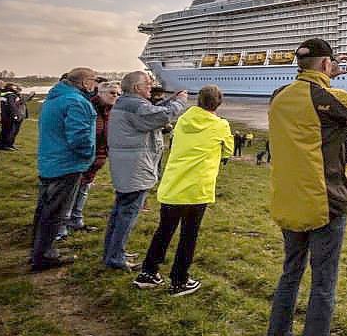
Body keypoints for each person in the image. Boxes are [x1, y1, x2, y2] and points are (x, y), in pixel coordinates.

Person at [267, 38, 347, 336]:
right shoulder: (327, 97)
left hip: (287, 198)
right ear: (326, 63)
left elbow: (309, 101)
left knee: (290, 274)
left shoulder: (278, 95)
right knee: (323, 283)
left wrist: (326, 76)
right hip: (326, 202)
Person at [134, 85, 234, 296]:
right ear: (219, 103)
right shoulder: (221, 125)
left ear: (198, 101)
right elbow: (228, 150)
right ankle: (179, 280)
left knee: (164, 231)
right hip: (197, 189)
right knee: (189, 235)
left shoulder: (183, 121)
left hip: (172, 185)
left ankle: (148, 273)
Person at [104, 71, 187, 271]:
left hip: (128, 164)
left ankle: (113, 251)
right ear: (136, 88)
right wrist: (180, 102)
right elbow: (159, 117)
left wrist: (169, 100)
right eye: (147, 84)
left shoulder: (128, 103)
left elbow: (152, 111)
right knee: (127, 213)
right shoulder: (135, 105)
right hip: (134, 167)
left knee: (120, 211)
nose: (151, 87)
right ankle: (115, 257)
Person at [30, 68, 100, 271]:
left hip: (50, 160)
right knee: (56, 212)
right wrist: (88, 154)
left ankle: (37, 249)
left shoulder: (55, 98)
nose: (95, 85)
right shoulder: (76, 101)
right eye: (94, 81)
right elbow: (79, 136)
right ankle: (44, 256)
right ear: (86, 82)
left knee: (44, 209)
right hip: (67, 164)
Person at [60, 82, 119, 236]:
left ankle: (76, 220)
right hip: (83, 157)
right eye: (112, 93)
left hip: (98, 158)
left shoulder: (112, 111)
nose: (116, 96)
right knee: (72, 191)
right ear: (100, 92)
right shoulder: (88, 108)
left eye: (118, 94)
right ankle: (61, 227)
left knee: (84, 189)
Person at [0, 83, 30, 151]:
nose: (16, 88)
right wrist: (15, 115)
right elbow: (12, 106)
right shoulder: (10, 95)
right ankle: (3, 145)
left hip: (10, 115)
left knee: (11, 131)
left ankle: (8, 144)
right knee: (8, 131)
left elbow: (17, 104)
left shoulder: (9, 95)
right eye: (15, 87)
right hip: (9, 116)